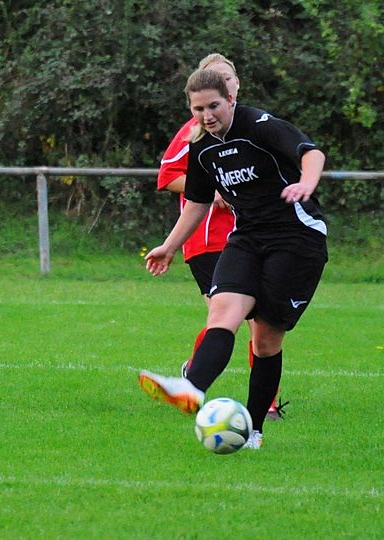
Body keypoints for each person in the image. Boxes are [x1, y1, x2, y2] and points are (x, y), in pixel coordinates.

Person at [139, 67, 328, 450]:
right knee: (222, 312)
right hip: (246, 238)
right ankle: (191, 388)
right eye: (198, 109)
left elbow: (311, 152)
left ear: (230, 99)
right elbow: (198, 202)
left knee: (265, 341)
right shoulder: (201, 146)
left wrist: (306, 183)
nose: (206, 116)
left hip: (296, 238)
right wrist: (170, 246)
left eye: (213, 106)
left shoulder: (259, 125)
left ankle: (253, 430)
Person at [156, 53, 283, 421]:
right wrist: (212, 191)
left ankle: (248, 398)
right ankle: (199, 382)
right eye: (214, 77)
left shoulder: (254, 125)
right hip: (208, 238)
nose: (223, 83)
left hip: (253, 238)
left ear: (235, 85)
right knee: (231, 315)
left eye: (227, 78)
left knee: (261, 321)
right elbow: (168, 176)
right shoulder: (196, 130)